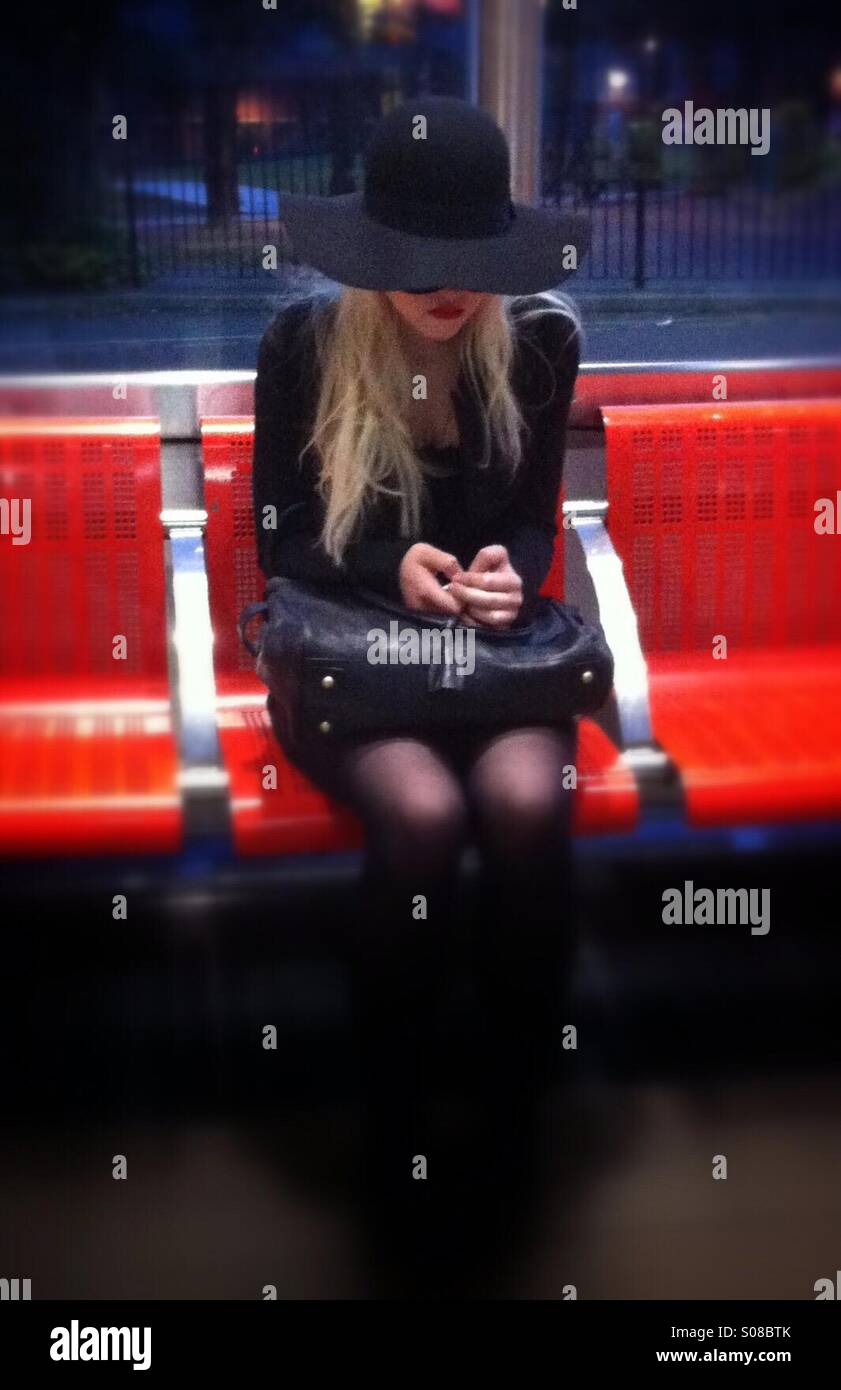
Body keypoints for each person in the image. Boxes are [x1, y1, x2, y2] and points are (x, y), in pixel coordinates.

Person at [252, 97, 589, 1199]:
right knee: (425, 812)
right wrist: (382, 567)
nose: (449, 288)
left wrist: (509, 571)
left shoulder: (535, 343)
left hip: (487, 655)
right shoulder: (303, 344)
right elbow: (279, 535)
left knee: (532, 804)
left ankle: (515, 1088)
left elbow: (536, 520)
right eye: (417, 261)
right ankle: (390, 1089)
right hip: (354, 650)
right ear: (370, 253)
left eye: (469, 261)